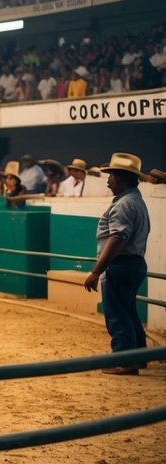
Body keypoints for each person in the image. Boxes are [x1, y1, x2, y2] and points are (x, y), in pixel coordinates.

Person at [83, 153, 151, 375]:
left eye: (111, 175)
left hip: (120, 265)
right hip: (135, 263)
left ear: (121, 178)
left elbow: (118, 238)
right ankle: (139, 357)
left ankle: (124, 360)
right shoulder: (136, 201)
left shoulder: (123, 205)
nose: (108, 180)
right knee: (129, 312)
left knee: (117, 314)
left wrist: (96, 271)